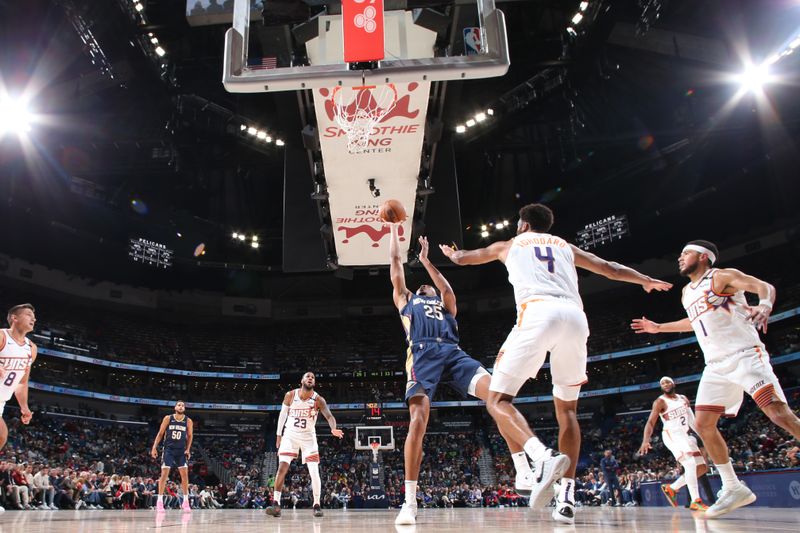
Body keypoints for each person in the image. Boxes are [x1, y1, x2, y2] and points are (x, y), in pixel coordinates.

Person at [441, 203, 671, 524]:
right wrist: (645, 280)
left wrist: (453, 255)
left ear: (522, 225)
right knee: (568, 411)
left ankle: (541, 456)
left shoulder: (508, 245)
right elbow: (610, 268)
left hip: (538, 312)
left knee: (496, 399)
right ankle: (566, 498)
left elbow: (467, 258)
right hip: (576, 319)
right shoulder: (565, 246)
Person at [631, 240, 800, 518]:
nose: (680, 258)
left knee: (778, 414)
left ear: (703, 256)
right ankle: (733, 487)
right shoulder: (686, 292)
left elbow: (763, 287)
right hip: (716, 366)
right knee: (703, 424)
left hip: (744, 355)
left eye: (685, 253)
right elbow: (693, 323)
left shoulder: (721, 276)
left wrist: (766, 305)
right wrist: (659, 328)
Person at [384, 226, 508, 526]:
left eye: (430, 285)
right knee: (418, 420)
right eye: (424, 284)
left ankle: (529, 458)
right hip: (423, 355)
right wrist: (392, 231)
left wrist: (427, 260)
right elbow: (396, 265)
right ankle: (410, 501)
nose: (427, 285)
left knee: (498, 393)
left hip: (452, 352)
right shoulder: (406, 300)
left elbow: (449, 292)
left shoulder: (444, 304)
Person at [266, 372, 343, 518]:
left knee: (314, 471)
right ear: (302, 380)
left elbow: (329, 416)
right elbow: (282, 415)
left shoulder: (318, 399)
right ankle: (276, 504)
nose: (310, 378)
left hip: (308, 437)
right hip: (290, 435)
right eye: (308, 376)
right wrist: (278, 435)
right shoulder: (290, 395)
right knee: (282, 467)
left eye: (313, 377)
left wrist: (333, 428)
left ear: (314, 382)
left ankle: (316, 504)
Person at [639, 376, 713, 511]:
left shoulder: (683, 398)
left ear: (674, 383)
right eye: (662, 383)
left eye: (667, 382)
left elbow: (691, 419)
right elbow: (650, 422)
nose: (665, 384)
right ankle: (696, 500)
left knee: (701, 468)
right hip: (671, 435)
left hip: (685, 435)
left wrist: (703, 435)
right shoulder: (660, 402)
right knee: (690, 464)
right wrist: (645, 440)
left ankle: (672, 488)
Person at [0, 304, 38, 452]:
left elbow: (22, 383)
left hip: (1, 400)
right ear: (14, 318)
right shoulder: (2, 336)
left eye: (34, 317)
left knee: (2, 437)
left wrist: (24, 407)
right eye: (29, 314)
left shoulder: (31, 348)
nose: (33, 318)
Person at [150, 400, 194, 512]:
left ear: (184, 408)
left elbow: (189, 436)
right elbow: (160, 433)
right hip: (169, 449)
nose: (181, 406)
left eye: (183, 405)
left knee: (185, 476)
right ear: (175, 407)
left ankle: (185, 502)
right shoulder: (168, 418)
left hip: (181, 451)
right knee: (164, 474)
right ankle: (159, 502)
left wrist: (188, 449)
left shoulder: (188, 421)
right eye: (179, 405)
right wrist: (154, 447)